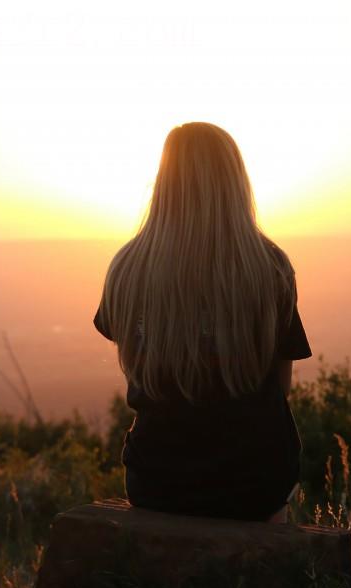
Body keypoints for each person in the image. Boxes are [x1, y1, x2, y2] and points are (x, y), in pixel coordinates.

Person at [92, 122, 312, 524]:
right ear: (235, 182)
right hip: (254, 484)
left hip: (157, 481)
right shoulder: (271, 268)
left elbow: (136, 368)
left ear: (164, 182)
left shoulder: (126, 268)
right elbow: (280, 389)